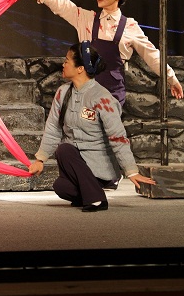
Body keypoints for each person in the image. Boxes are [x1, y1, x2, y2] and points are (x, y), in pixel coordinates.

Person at [13, 0, 184, 106]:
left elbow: (152, 55)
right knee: (85, 134)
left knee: (107, 134)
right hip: (86, 90)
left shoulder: (129, 26)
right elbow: (61, 5)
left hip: (112, 93)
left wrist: (172, 79)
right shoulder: (86, 19)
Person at [29, 41, 156, 212]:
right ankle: (91, 193)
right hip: (78, 166)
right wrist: (40, 160)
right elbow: (53, 128)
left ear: (80, 68)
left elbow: (117, 136)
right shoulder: (62, 93)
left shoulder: (102, 98)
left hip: (98, 167)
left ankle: (97, 199)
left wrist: (131, 170)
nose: (63, 64)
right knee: (61, 187)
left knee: (64, 149)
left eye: (67, 61)